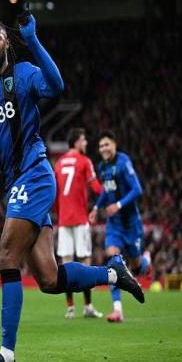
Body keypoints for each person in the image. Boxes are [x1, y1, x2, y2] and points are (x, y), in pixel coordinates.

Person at [0, 12, 144, 362]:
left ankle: (6, 359)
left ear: (7, 43)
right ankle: (112, 272)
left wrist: (33, 40)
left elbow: (56, 85)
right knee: (49, 280)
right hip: (16, 185)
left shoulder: (23, 75)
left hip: (34, 174)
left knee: (7, 255)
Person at [89, 130, 151, 323]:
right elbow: (106, 191)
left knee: (136, 266)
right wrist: (96, 207)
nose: (104, 149)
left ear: (114, 145)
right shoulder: (102, 167)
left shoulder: (124, 163)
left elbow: (137, 189)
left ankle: (146, 261)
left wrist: (119, 205)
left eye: (107, 144)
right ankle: (117, 309)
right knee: (113, 259)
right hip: (114, 225)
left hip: (131, 224)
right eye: (101, 146)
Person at [54, 128, 103, 319]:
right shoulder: (84, 161)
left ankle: (70, 308)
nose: (86, 143)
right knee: (85, 262)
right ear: (76, 142)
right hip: (80, 218)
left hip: (64, 219)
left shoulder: (59, 163)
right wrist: (108, 193)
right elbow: (96, 187)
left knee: (66, 264)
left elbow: (55, 193)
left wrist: (59, 214)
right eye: (83, 139)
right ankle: (88, 306)